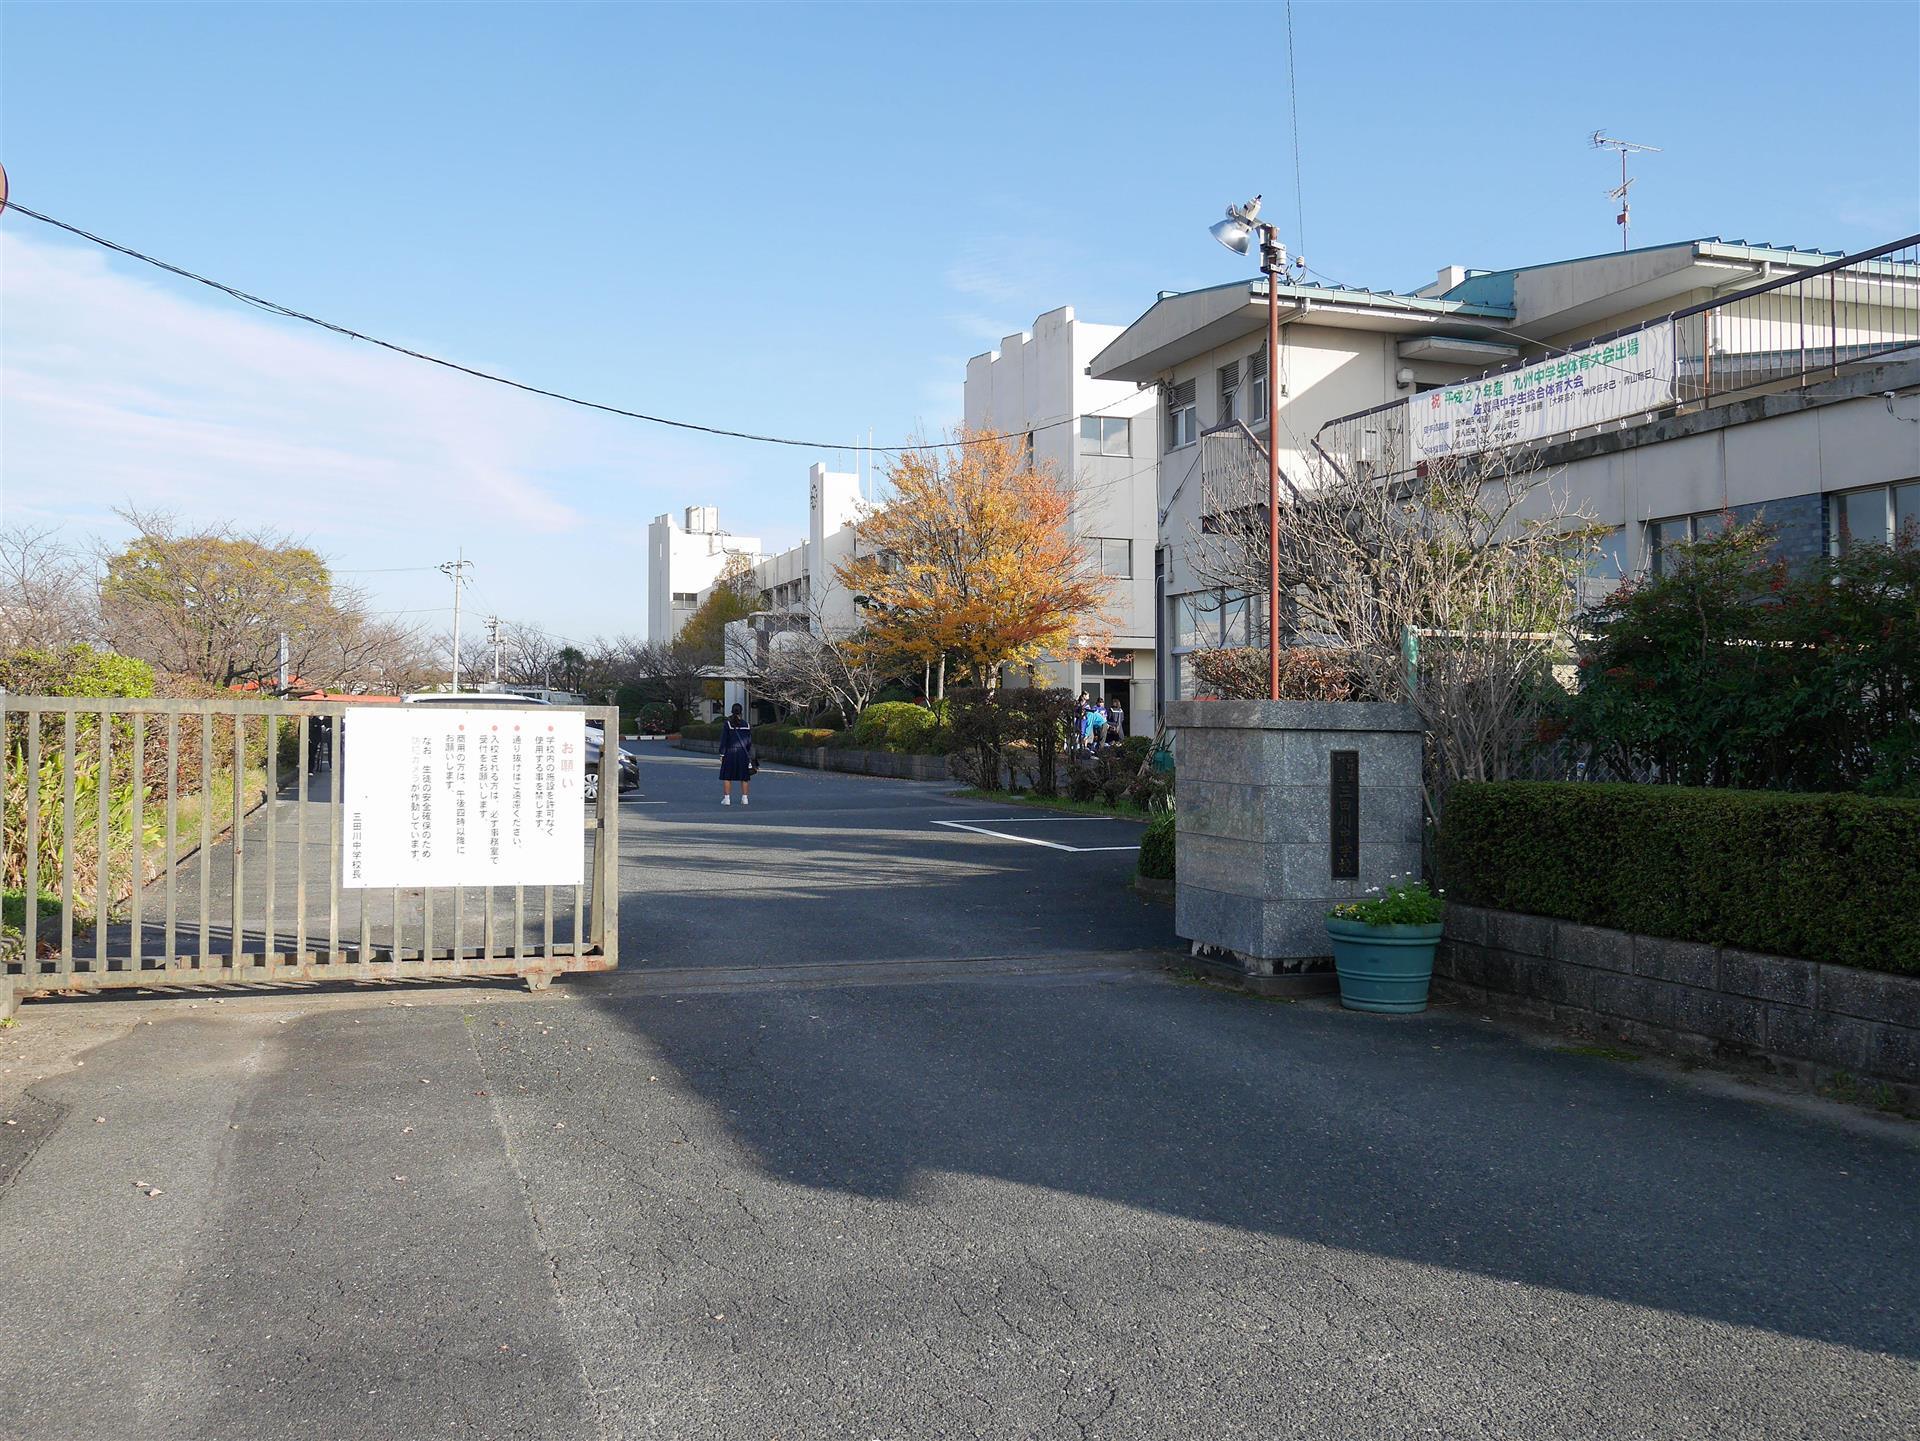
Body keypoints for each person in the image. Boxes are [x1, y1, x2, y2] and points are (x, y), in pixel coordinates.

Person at [719, 703, 754, 806]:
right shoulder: (747, 725)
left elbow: (724, 740)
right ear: (741, 712)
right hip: (743, 753)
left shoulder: (728, 724)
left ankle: (727, 799)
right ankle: (745, 798)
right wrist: (749, 754)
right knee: (744, 777)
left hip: (730, 753)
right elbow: (749, 742)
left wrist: (722, 754)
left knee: (727, 776)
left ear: (732, 711)